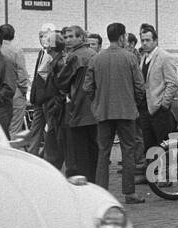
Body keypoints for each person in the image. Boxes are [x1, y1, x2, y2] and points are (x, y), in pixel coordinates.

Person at [86, 22, 146, 204]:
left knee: (103, 152)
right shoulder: (130, 58)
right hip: (126, 112)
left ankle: (101, 192)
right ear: (122, 37)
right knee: (128, 151)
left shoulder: (96, 59)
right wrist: (133, 102)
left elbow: (88, 87)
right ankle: (129, 193)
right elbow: (139, 87)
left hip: (104, 112)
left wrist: (97, 103)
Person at [56, 25, 98, 179]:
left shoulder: (74, 57)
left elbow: (62, 81)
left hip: (78, 107)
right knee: (93, 148)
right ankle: (95, 181)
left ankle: (85, 182)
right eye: (66, 37)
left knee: (79, 151)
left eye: (71, 36)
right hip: (94, 108)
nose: (67, 40)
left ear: (81, 37)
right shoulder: (94, 54)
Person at [140, 25, 178, 153]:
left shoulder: (164, 57)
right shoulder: (144, 58)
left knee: (163, 145)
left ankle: (166, 171)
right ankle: (152, 170)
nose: (145, 43)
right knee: (149, 145)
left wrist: (164, 105)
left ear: (155, 41)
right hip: (146, 109)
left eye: (148, 40)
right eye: (143, 40)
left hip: (159, 110)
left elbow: (173, 83)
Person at [30, 23, 65, 168]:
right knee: (39, 131)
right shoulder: (43, 54)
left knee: (51, 133)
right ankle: (36, 158)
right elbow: (39, 77)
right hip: (42, 100)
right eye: (40, 36)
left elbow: (53, 82)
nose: (42, 39)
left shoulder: (57, 60)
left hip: (49, 101)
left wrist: (49, 100)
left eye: (44, 36)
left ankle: (49, 162)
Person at [0, 23, 29, 136]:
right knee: (14, 126)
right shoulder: (17, 50)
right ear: (13, 35)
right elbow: (21, 71)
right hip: (15, 90)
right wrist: (23, 89)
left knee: (0, 126)